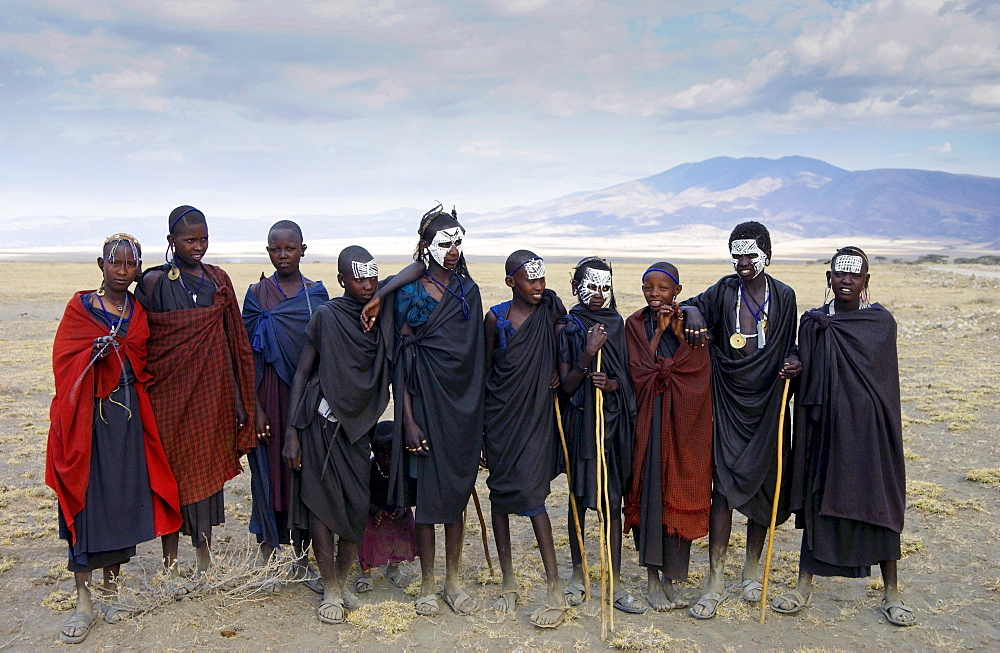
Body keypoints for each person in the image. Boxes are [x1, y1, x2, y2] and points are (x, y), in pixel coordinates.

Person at [47, 234, 182, 644]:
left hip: (124, 422)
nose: (122, 272)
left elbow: (142, 361)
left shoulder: (137, 312)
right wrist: (92, 352)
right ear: (101, 265)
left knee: (121, 500)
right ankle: (83, 599)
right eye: (115, 263)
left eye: (130, 265)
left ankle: (112, 588)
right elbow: (63, 359)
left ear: (138, 268)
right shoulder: (81, 308)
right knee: (86, 504)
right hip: (86, 421)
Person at [771, 247, 914, 626]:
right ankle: (804, 585)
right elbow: (807, 368)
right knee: (821, 501)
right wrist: (796, 364)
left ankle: (891, 592)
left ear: (867, 280)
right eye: (839, 274)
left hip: (870, 433)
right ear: (829, 278)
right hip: (827, 429)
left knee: (877, 502)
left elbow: (883, 384)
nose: (846, 281)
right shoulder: (814, 322)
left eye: (855, 275)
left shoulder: (880, 323)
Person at [681, 221, 801, 619]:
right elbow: (687, 306)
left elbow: (793, 343)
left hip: (768, 404)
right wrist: (696, 309)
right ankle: (715, 578)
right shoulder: (723, 290)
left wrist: (794, 360)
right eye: (737, 254)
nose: (743, 262)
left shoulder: (784, 296)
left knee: (763, 486)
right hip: (728, 402)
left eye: (751, 254)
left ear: (767, 253)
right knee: (723, 488)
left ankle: (751, 570)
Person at [136, 205, 257, 575]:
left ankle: (204, 558)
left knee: (204, 476)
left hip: (211, 395)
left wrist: (239, 399)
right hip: (167, 398)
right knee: (170, 476)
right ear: (171, 241)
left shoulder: (218, 279)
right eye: (190, 240)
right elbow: (140, 339)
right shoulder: (154, 283)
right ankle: (170, 563)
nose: (198, 246)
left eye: (204, 239)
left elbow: (233, 340)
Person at [282, 246, 395, 625]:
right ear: (341, 280)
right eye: (358, 278)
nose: (366, 285)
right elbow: (301, 373)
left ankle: (343, 581)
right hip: (320, 424)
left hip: (356, 430)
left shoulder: (378, 316)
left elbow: (407, 274)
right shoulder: (328, 317)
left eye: (372, 278)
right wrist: (292, 432)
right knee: (321, 506)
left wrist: (380, 296)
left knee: (355, 505)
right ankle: (330, 587)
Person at [388, 204, 485, 617]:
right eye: (445, 243)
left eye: (458, 242)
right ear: (426, 246)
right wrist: (407, 420)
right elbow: (402, 359)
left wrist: (476, 419)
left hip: (462, 409)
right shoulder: (410, 293)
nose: (453, 250)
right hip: (424, 405)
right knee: (427, 499)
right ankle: (428, 583)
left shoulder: (469, 291)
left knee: (456, 496)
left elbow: (475, 355)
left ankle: (453, 581)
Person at [484, 250, 569, 628]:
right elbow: (486, 372)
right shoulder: (495, 318)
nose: (538, 286)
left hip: (536, 419)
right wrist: (483, 432)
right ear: (510, 282)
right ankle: (508, 580)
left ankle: (554, 585)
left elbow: (564, 349)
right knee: (500, 497)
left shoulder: (550, 313)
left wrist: (554, 369)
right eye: (529, 280)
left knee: (534, 499)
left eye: (542, 279)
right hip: (501, 419)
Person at [623, 263, 713, 612]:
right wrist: (659, 333)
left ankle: (672, 579)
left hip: (683, 424)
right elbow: (639, 371)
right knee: (650, 494)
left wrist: (677, 328)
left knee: (680, 489)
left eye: (663, 288)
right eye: (649, 288)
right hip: (649, 421)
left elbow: (699, 369)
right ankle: (651, 580)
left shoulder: (691, 322)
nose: (655, 294)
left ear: (677, 290)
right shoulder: (635, 324)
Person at [242, 221, 328, 580]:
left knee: (303, 473)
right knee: (266, 473)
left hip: (305, 402)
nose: (282, 256)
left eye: (289, 249)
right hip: (268, 400)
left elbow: (325, 356)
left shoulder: (317, 296)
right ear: (267, 252)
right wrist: (256, 409)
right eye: (275, 250)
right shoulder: (256, 294)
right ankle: (266, 556)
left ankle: (303, 557)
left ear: (303, 250)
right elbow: (246, 357)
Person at [556, 256, 643, 614]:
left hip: (611, 426)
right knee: (578, 499)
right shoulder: (568, 326)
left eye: (605, 286)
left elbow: (628, 376)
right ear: (576, 287)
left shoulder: (617, 324)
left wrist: (612, 384)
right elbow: (565, 386)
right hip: (580, 426)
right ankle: (579, 576)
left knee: (611, 502)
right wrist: (588, 353)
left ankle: (615, 580)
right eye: (591, 286)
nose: (598, 293)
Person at [355, 421, 418, 593]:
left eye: (392, 453)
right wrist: (375, 511)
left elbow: (410, 494)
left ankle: (393, 568)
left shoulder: (404, 470)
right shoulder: (368, 469)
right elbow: (362, 497)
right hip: (373, 512)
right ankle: (365, 574)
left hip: (396, 511)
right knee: (365, 532)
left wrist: (403, 506)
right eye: (382, 454)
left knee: (405, 528)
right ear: (374, 452)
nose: (387, 459)